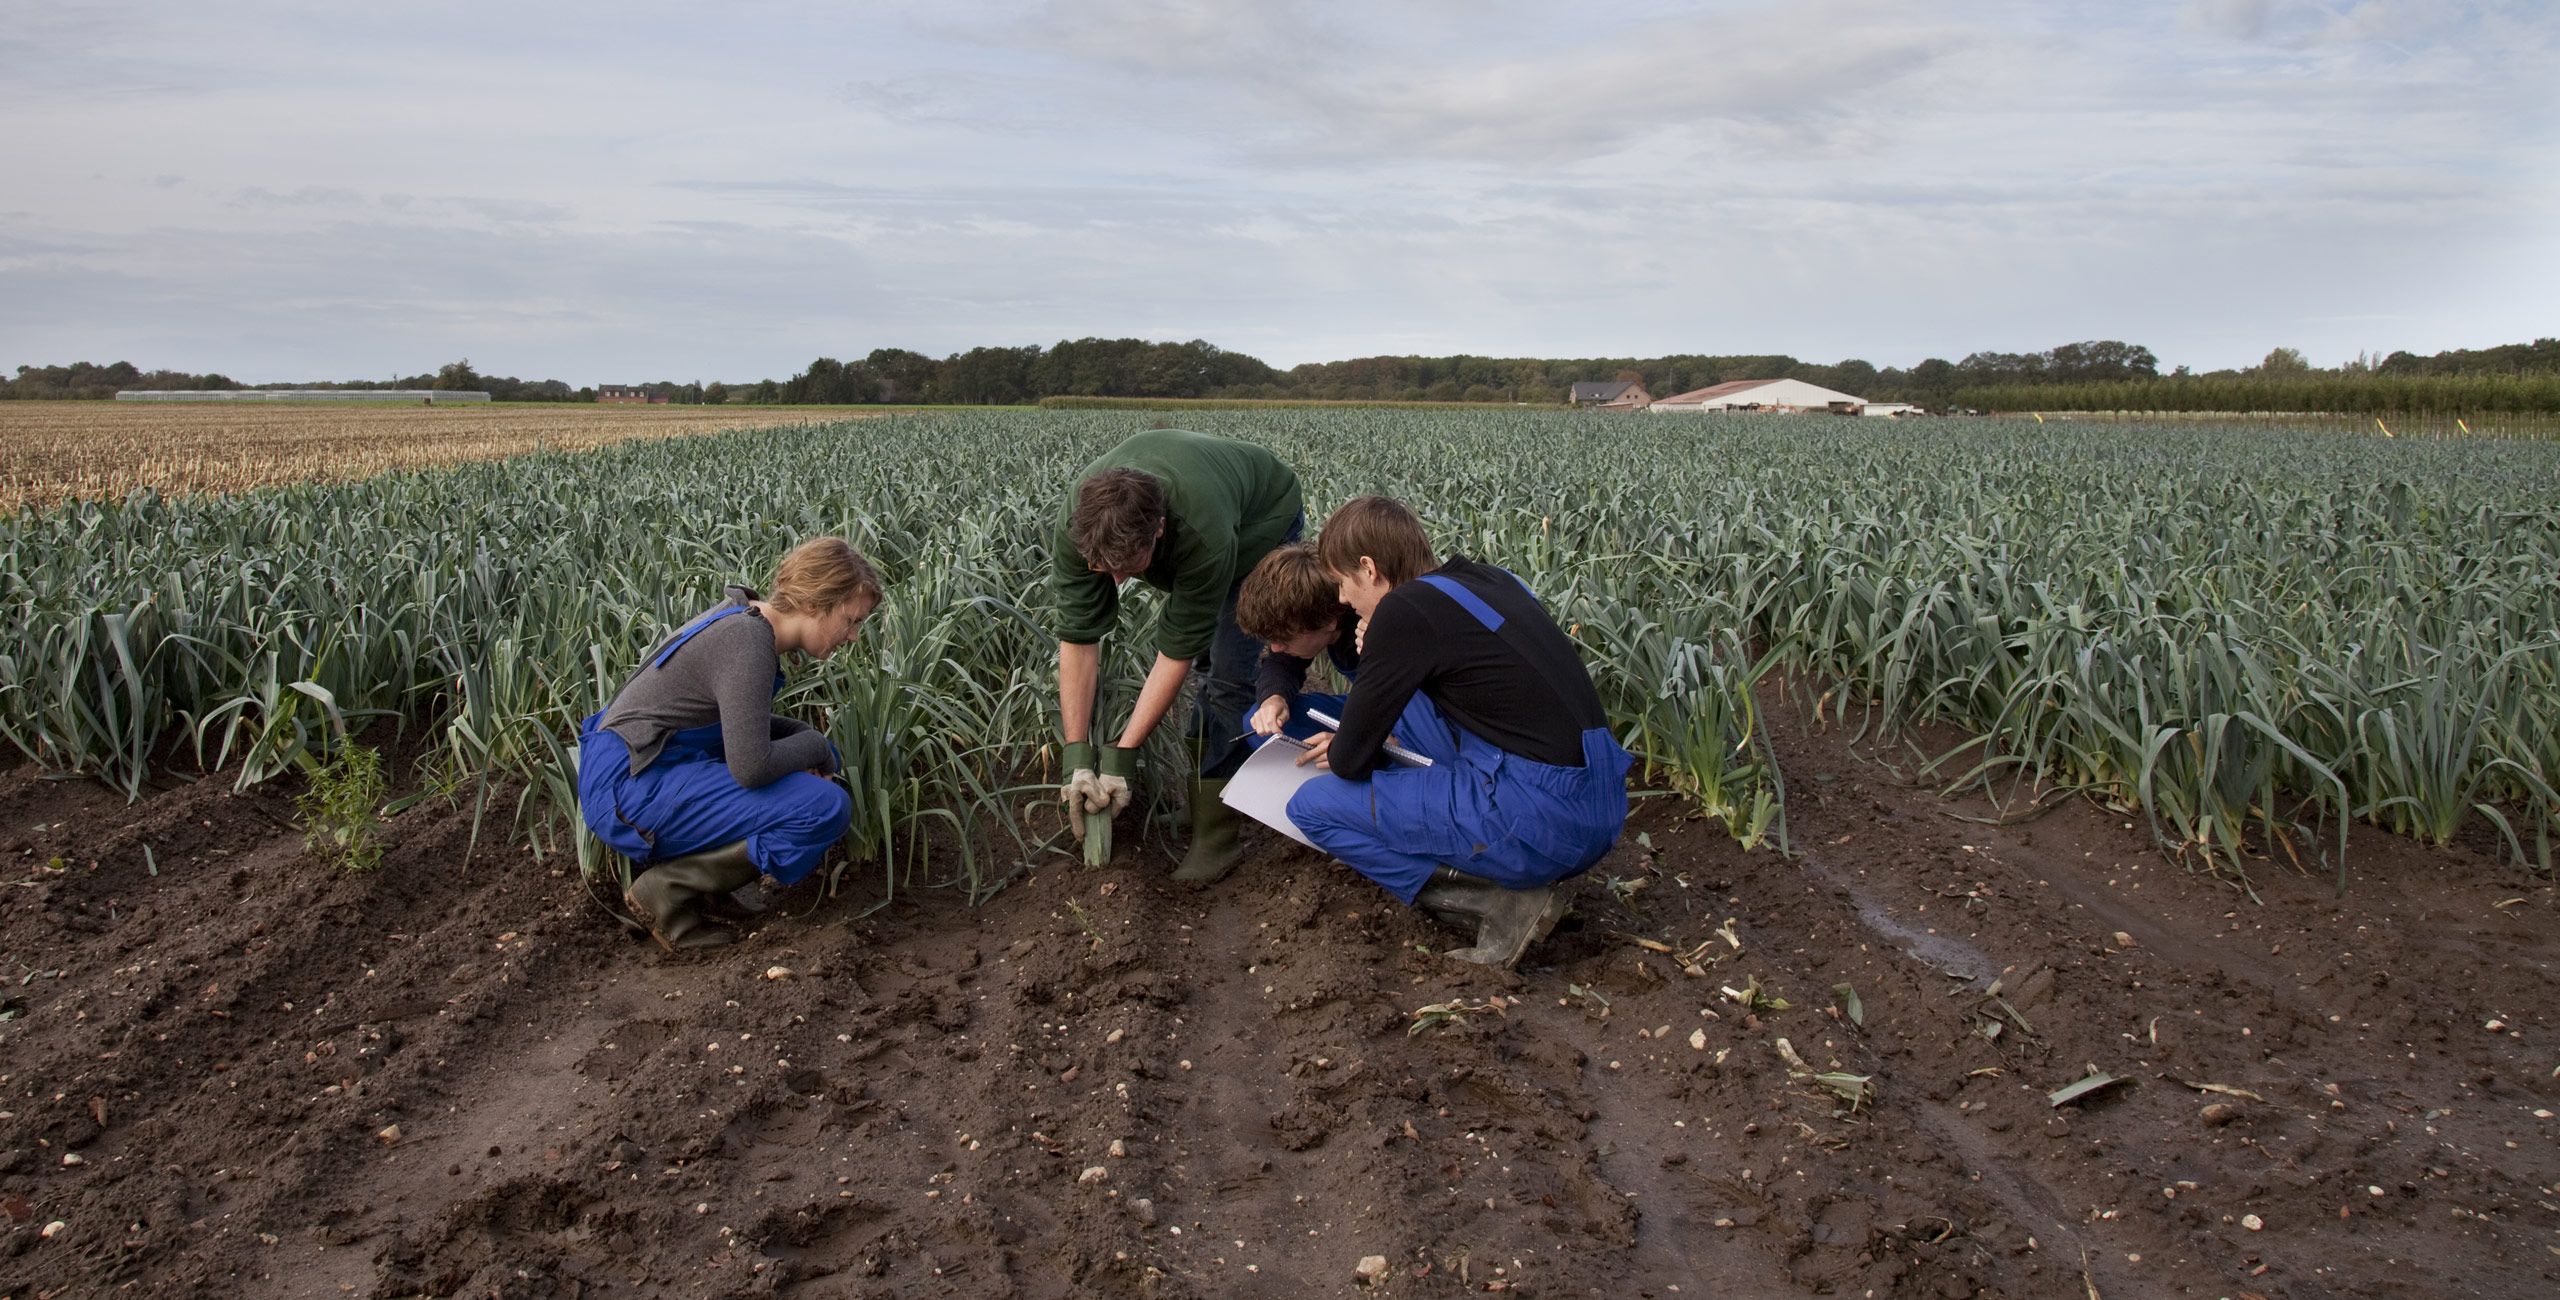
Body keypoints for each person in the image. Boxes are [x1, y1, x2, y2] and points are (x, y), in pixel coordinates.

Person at [1284, 496, 1632, 968]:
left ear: (1369, 569)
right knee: (1404, 723)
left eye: (1343, 583)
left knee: (1312, 807)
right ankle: (1481, 843)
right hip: (1599, 795)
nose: (1342, 600)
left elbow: (1349, 761)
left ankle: (1498, 903)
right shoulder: (1488, 578)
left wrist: (1358, 733)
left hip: (1540, 817)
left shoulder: (1401, 612)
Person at [577, 537, 878, 951]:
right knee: (823, 805)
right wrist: (813, 746)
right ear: (815, 603)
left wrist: (812, 745)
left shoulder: (746, 622)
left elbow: (735, 721)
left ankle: (710, 891)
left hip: (644, 769)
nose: (854, 636)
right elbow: (751, 766)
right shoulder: (748, 641)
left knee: (819, 765)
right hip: (632, 787)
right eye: (851, 619)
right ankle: (669, 890)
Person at [1050, 428, 1302, 883]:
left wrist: (1122, 758)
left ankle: (1218, 832)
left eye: (1130, 567)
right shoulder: (1081, 526)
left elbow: (1176, 652)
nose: (1119, 581)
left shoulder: (1203, 535)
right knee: (1209, 664)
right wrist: (1077, 758)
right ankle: (1201, 801)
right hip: (1207, 505)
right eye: (1105, 569)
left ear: (1160, 529)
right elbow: (1078, 639)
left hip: (1260, 520)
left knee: (1225, 673)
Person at [1236, 542, 1362, 744]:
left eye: (1285, 639)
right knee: (1264, 726)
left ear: (1328, 621)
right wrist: (1274, 698)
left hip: (1405, 720)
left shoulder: (1369, 626)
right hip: (1366, 706)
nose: (1276, 648)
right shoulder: (1310, 617)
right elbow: (1282, 663)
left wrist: (1356, 745)